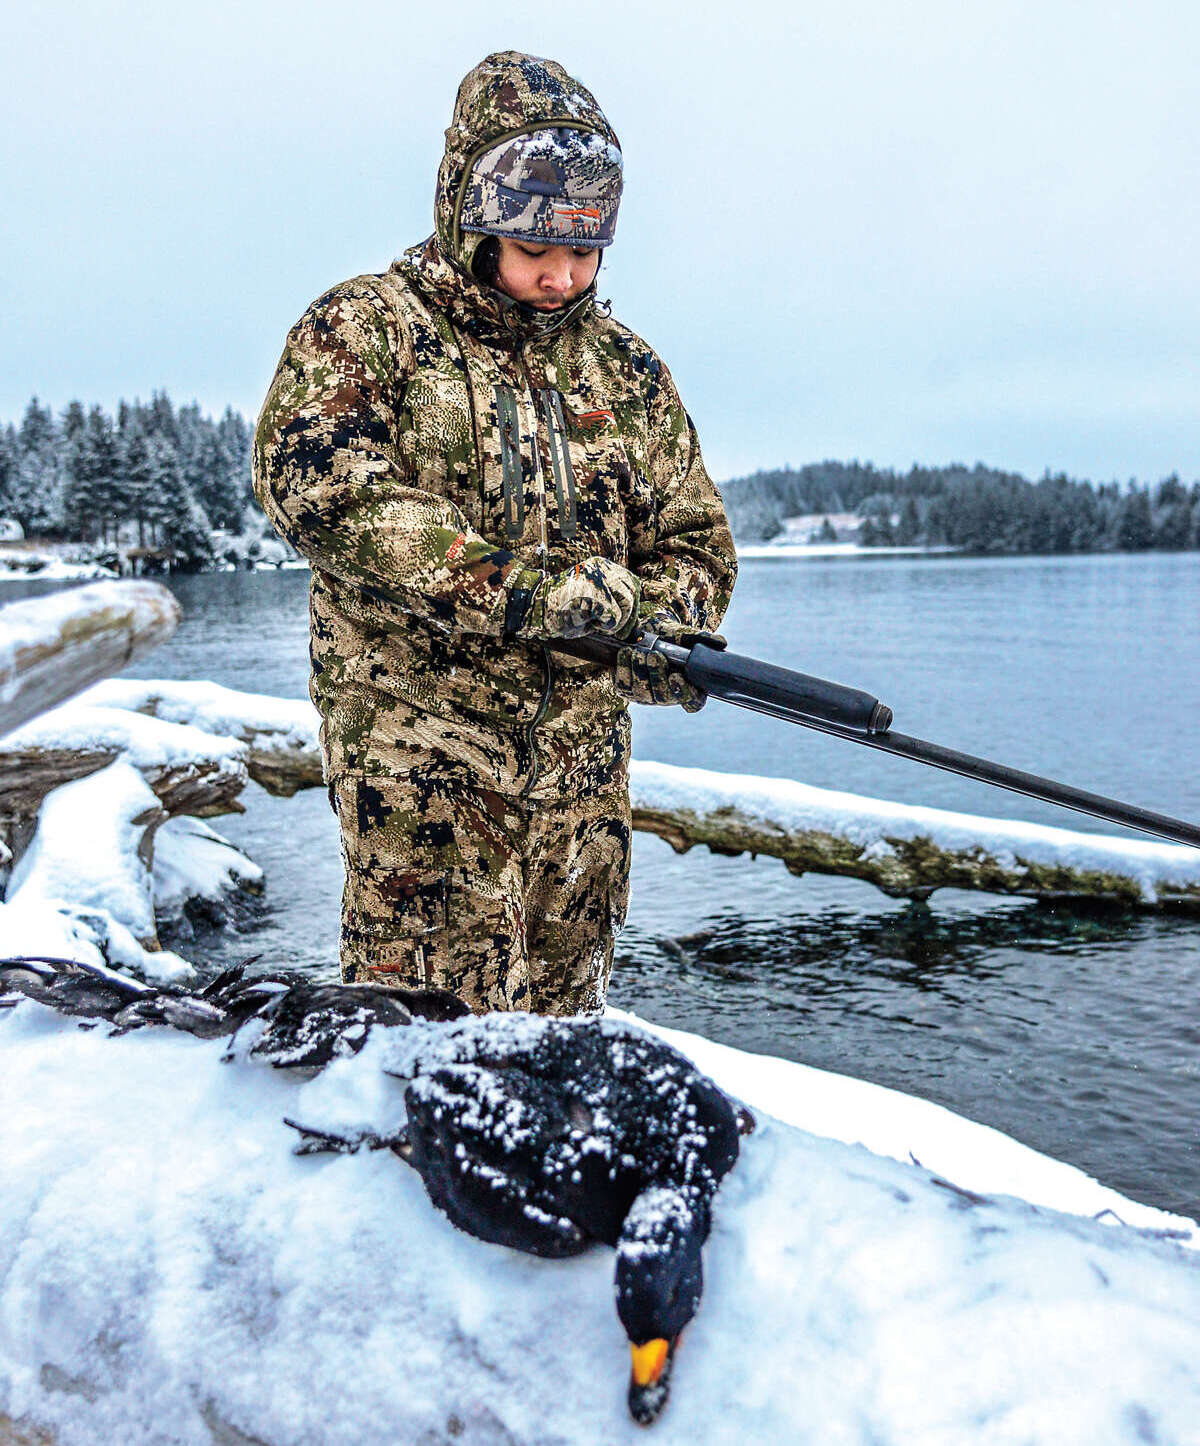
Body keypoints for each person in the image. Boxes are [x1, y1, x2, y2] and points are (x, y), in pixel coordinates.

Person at [253, 50, 737, 1016]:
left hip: (580, 785)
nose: (563, 277)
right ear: (473, 224)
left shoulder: (628, 373)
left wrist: (653, 628)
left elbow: (696, 543)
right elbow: (325, 493)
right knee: (421, 1043)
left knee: (565, 1049)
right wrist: (533, 594)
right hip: (422, 768)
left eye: (585, 253)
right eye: (536, 253)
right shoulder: (367, 330)